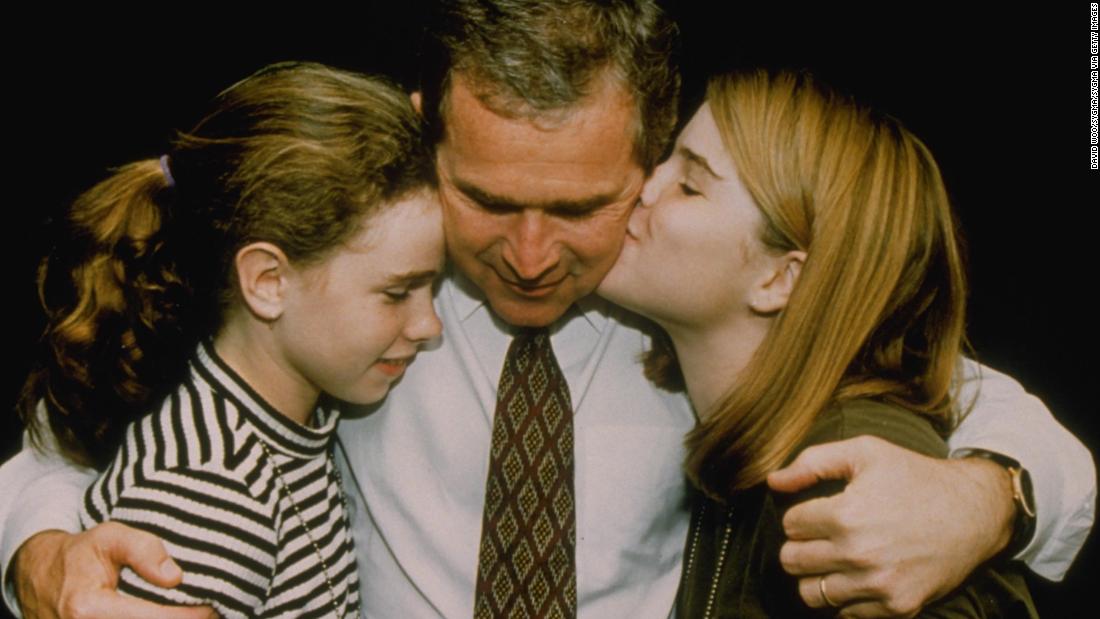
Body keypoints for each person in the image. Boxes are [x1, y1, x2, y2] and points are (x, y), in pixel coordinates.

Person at [0, 2, 1093, 618]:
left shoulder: (702, 307)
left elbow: (968, 395)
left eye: (579, 206)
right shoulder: (340, 281)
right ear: (426, 133)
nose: (529, 257)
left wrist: (990, 498)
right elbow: (65, 437)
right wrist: (40, 557)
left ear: (654, 163)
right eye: (484, 200)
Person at [598, 68, 1040, 618]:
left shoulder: (848, 476)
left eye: (690, 184)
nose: (643, 185)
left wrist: (990, 504)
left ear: (780, 280)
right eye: (668, 158)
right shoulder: (757, 439)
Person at [10, 62, 443, 618]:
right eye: (397, 292)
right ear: (268, 282)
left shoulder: (283, 423)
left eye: (431, 285)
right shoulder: (211, 489)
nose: (430, 324)